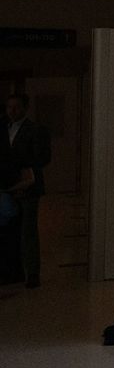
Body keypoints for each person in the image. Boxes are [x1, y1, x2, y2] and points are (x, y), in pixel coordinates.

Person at [1, 93, 51, 289]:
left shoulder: (37, 130)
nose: (12, 111)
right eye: (9, 107)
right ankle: (13, 271)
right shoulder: (3, 128)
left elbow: (44, 158)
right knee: (9, 231)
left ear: (25, 108)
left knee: (28, 230)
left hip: (28, 186)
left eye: (16, 107)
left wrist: (21, 163)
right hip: (7, 185)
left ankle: (32, 273)